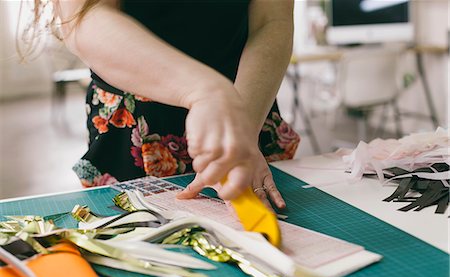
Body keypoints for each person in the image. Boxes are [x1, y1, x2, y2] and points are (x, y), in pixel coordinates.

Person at [41, 0, 300, 208]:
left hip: (250, 99)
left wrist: (242, 122)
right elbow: (84, 17)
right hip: (136, 122)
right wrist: (206, 92)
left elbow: (272, 20)